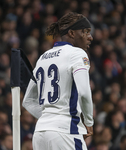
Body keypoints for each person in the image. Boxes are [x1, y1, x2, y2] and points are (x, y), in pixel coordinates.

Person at [22, 12, 94, 150]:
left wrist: (49, 119)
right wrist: (89, 122)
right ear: (72, 33)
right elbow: (84, 92)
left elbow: (28, 101)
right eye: (85, 32)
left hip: (40, 133)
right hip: (65, 131)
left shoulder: (43, 57)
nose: (90, 37)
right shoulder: (77, 54)